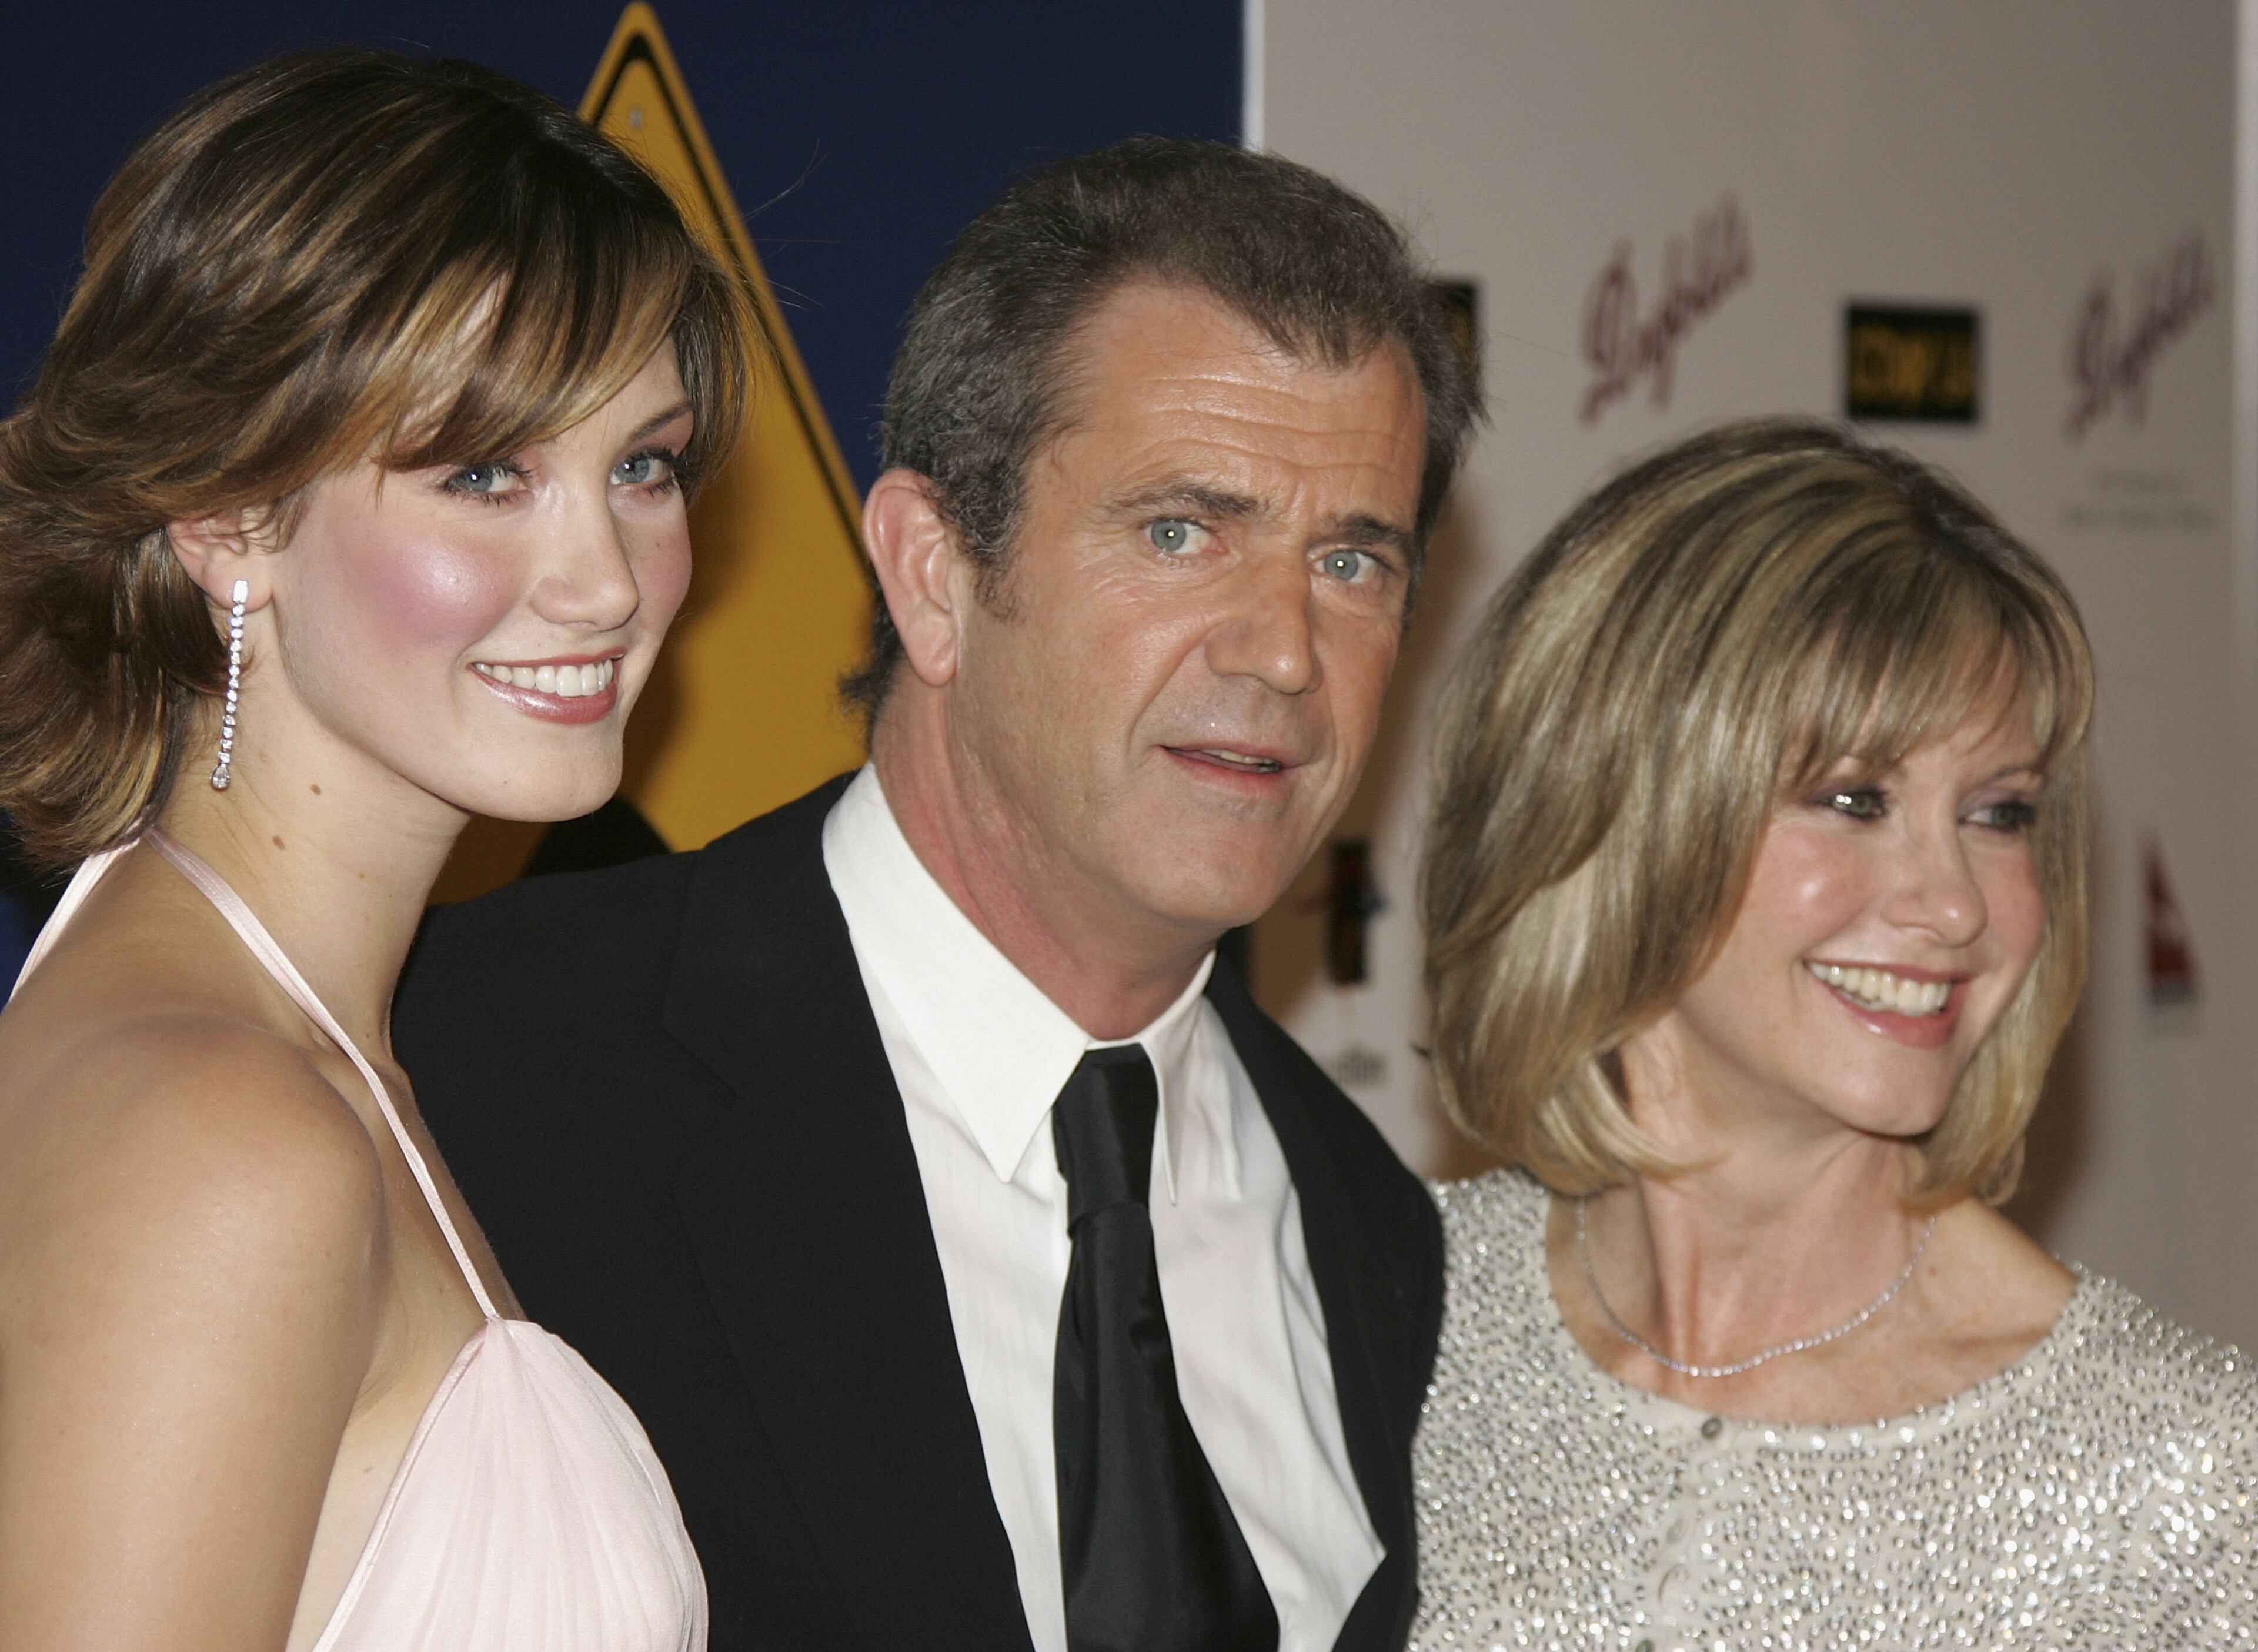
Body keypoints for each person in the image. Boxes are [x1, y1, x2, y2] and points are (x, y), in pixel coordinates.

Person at [393, 138, 1482, 1652]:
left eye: (1354, 563)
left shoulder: (1378, 1234)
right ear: (930, 572)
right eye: (1183, 530)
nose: (1286, 652)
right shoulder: (460, 1074)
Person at [0, 49, 746, 1650]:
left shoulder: (283, 1046)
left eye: (643, 465)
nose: (606, 581)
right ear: (224, 518)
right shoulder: (219, 1134)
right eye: (487, 472)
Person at [1411, 417, 2258, 1647]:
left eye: (2000, 813)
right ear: (1613, 807)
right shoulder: (1388, 1307)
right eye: (1855, 798)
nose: (1957, 902)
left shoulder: (2179, 1475)